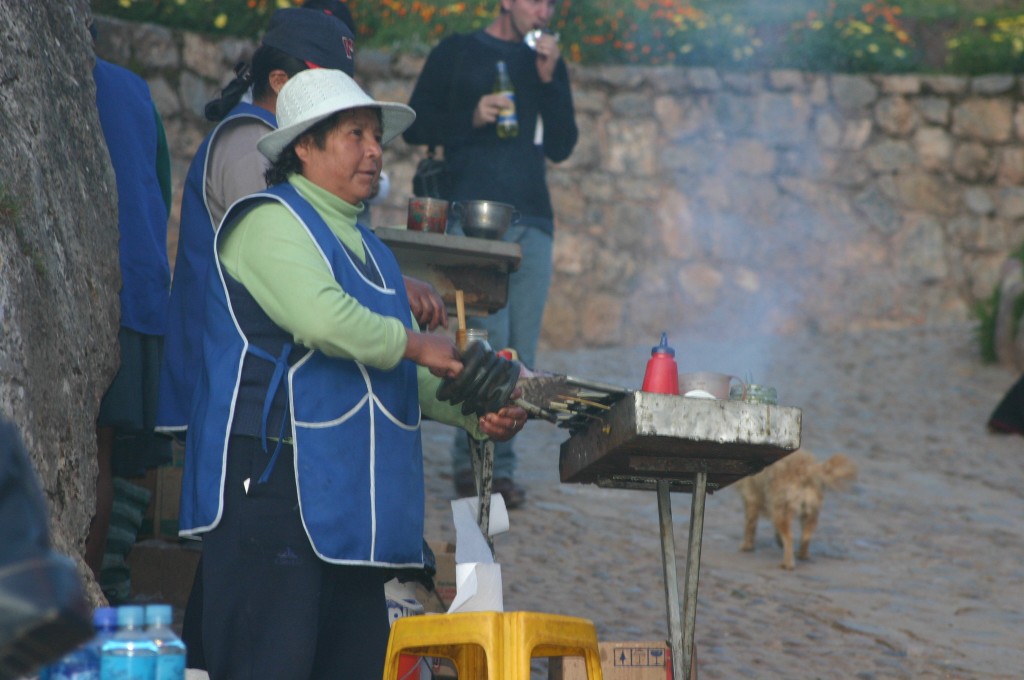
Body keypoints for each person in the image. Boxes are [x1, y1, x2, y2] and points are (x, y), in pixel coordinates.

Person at [182, 67, 528, 680]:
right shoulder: (266, 221)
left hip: (354, 511)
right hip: (272, 491)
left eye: (376, 136)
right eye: (354, 134)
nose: (374, 150)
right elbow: (323, 321)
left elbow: (398, 377)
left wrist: (477, 407)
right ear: (304, 147)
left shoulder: (374, 253)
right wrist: (424, 345)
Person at [403, 0, 578, 507]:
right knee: (482, 346)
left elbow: (563, 144)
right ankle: (471, 461)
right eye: (532, 0)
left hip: (534, 222)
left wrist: (548, 78)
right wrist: (471, 116)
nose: (541, 10)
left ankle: (500, 468)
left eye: (549, 2)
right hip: (472, 220)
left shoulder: (546, 60)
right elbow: (416, 125)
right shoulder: (458, 51)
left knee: (521, 351)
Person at [87, 53, 173, 581]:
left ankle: (90, 594)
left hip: (106, 286)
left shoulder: (63, 79)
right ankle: (103, 585)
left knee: (94, 449)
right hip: (139, 284)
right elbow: (158, 189)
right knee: (115, 451)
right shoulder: (134, 89)